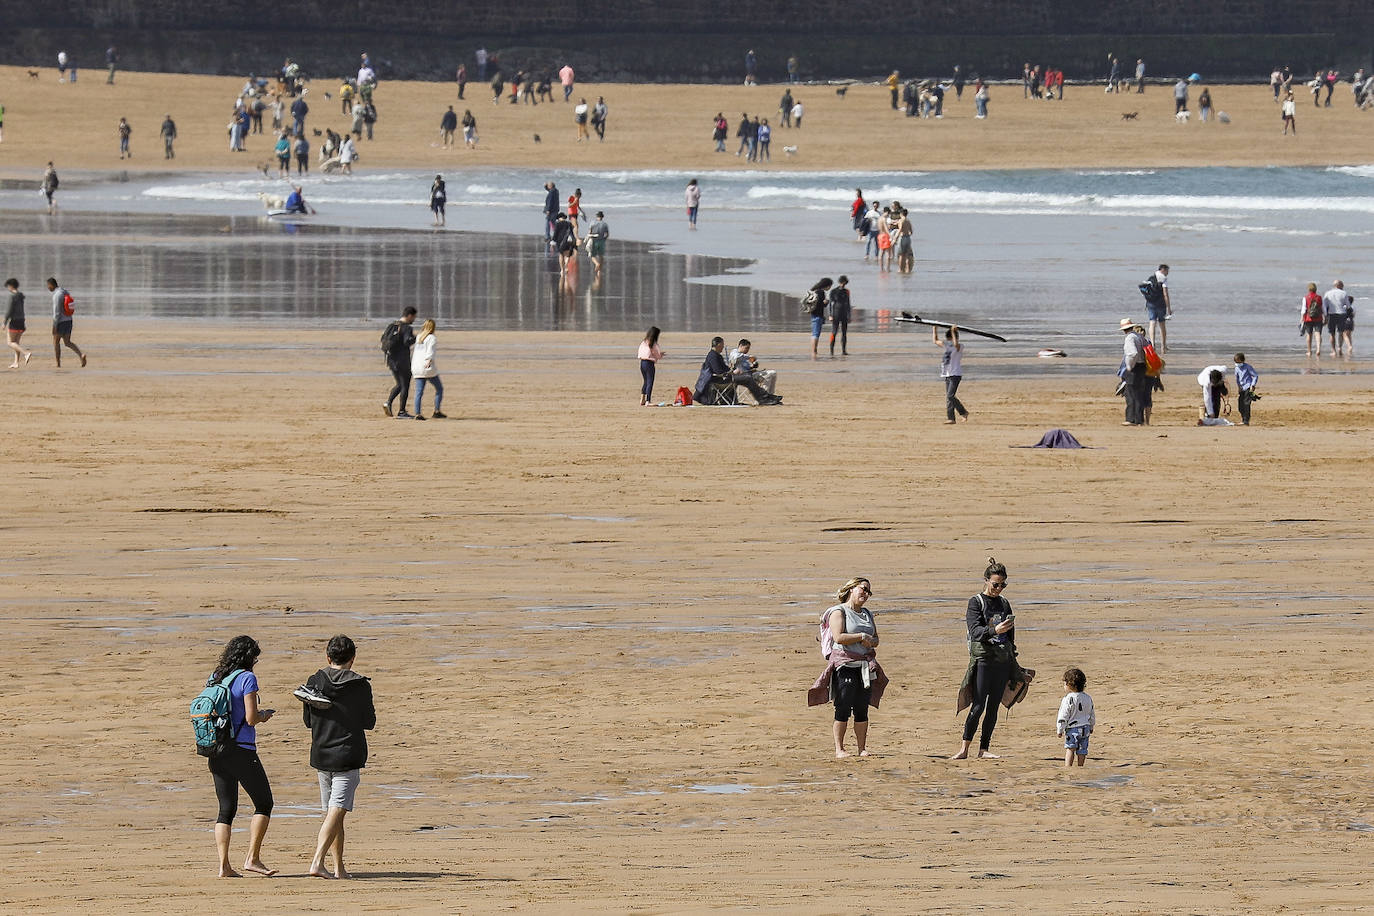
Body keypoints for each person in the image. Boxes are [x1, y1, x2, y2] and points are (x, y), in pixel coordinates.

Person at [298, 634, 375, 879]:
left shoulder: (314, 681)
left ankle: (339, 867)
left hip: (321, 754)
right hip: (347, 756)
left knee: (334, 814)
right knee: (336, 811)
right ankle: (317, 862)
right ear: (353, 658)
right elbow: (369, 722)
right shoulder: (360, 685)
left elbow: (308, 722)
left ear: (328, 657)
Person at [205, 635, 277, 878]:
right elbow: (250, 717)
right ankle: (252, 858)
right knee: (264, 802)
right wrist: (264, 714)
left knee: (226, 810)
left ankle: (224, 865)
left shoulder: (215, 677)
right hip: (241, 750)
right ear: (251, 657)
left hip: (215, 750)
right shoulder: (247, 678)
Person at [953, 558, 1025, 760]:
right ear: (986, 581)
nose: (999, 589)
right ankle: (964, 748)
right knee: (978, 706)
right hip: (983, 659)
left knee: (993, 707)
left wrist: (1013, 656)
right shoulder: (976, 602)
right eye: (995, 584)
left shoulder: (1004, 603)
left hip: (1002, 660)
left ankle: (983, 749)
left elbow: (1011, 636)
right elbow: (975, 631)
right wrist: (995, 629)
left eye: (1003, 585)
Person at [809, 577, 887, 759]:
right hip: (844, 664)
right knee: (843, 705)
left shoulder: (867, 613)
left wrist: (872, 641)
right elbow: (838, 637)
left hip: (865, 665)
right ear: (852, 589)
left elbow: (875, 639)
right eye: (863, 589)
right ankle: (839, 748)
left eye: (869, 592)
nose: (866, 594)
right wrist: (861, 636)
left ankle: (862, 748)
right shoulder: (838, 611)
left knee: (862, 707)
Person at [694, 336, 781, 405]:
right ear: (718, 345)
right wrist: (732, 372)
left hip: (725, 377)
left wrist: (731, 370)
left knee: (747, 378)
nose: (723, 347)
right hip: (721, 381)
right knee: (747, 378)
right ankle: (763, 398)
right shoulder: (713, 356)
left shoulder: (716, 355)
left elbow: (724, 368)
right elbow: (719, 372)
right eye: (722, 345)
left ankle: (765, 397)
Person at [382, 306, 417, 417]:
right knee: (405, 385)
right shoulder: (407, 328)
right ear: (410, 316)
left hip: (391, 360)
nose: (414, 320)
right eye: (414, 317)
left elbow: (383, 339)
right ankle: (402, 411)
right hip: (402, 361)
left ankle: (388, 403)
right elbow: (407, 342)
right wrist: (417, 338)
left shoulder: (392, 325)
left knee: (399, 384)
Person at [1056, 668, 1095, 768]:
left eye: (1065, 683)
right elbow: (1091, 713)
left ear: (1070, 684)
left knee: (1070, 749)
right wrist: (1091, 726)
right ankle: (1080, 766)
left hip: (1073, 729)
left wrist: (1060, 729)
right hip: (1085, 728)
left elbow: (1063, 715)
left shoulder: (1068, 698)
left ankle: (1068, 767)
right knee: (1082, 750)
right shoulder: (1088, 697)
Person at [46, 278, 85, 368]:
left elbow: (57, 312)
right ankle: (81, 354)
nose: (48, 288)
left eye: (48, 286)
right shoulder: (65, 292)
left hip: (60, 322)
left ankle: (58, 363)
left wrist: (54, 325)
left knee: (56, 342)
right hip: (69, 320)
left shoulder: (57, 295)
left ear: (51, 285)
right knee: (67, 342)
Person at [410, 319, 444, 420]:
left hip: (416, 367)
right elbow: (430, 351)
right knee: (439, 389)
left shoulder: (419, 337)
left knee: (419, 392)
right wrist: (429, 360)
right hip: (427, 368)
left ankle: (417, 413)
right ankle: (436, 411)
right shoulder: (432, 338)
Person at [935, 325, 969, 423]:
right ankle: (951, 418)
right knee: (948, 397)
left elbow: (955, 344)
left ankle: (963, 412)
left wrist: (953, 332)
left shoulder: (960, 346)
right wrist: (934, 328)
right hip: (947, 374)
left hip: (956, 375)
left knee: (950, 396)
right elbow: (935, 340)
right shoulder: (947, 345)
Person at [1119, 318, 1148, 426]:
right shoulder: (1139, 336)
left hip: (1135, 367)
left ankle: (1131, 419)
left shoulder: (1129, 338)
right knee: (1139, 393)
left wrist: (1129, 366)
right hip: (1142, 366)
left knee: (1130, 394)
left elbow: (1133, 354)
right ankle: (1139, 419)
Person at [1143, 264, 1172, 352]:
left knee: (1152, 323)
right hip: (1160, 304)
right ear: (1163, 270)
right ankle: (1163, 347)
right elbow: (1165, 294)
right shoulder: (1163, 279)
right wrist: (1169, 308)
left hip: (1150, 303)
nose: (1168, 273)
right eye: (1167, 271)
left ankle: (1152, 345)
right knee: (1162, 324)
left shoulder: (1151, 278)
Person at [4, 279, 32, 368]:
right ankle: (16, 362)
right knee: (16, 343)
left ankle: (26, 353)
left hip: (14, 321)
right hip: (21, 320)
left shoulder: (11, 296)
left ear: (11, 286)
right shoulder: (20, 296)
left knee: (10, 342)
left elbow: (9, 311)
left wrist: (4, 322)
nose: (8, 288)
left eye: (8, 286)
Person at [1323, 280, 1353, 357]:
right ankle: (1339, 348)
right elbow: (1348, 306)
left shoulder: (1328, 293)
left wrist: (1325, 316)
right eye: (1342, 285)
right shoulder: (1344, 293)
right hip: (1341, 314)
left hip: (1331, 314)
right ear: (1340, 286)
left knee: (1332, 334)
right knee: (1341, 333)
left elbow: (1324, 306)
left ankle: (1333, 351)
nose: (1343, 287)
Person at [804, 277, 832, 359]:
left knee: (815, 333)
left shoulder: (815, 291)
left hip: (813, 314)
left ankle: (814, 350)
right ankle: (814, 351)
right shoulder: (821, 292)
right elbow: (820, 305)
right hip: (818, 315)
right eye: (829, 286)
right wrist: (826, 303)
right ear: (826, 285)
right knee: (816, 334)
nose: (829, 288)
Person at [637, 326, 664, 406]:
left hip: (642, 363)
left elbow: (641, 352)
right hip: (649, 363)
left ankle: (642, 399)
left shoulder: (644, 342)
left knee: (645, 381)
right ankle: (648, 400)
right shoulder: (653, 343)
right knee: (650, 382)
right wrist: (660, 355)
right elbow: (657, 354)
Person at [828, 276, 852, 357]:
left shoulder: (847, 291)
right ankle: (831, 351)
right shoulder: (833, 291)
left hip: (844, 313)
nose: (843, 285)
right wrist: (830, 315)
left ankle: (844, 350)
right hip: (836, 313)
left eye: (844, 283)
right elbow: (831, 304)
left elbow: (848, 304)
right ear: (839, 282)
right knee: (834, 332)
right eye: (842, 283)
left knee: (844, 333)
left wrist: (849, 315)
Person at [1233, 353, 1260, 425]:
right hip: (1242, 388)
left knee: (1246, 404)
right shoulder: (1236, 368)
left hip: (1248, 387)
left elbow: (1255, 376)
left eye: (1239, 362)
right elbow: (1237, 379)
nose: (1237, 363)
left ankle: (1246, 421)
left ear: (1242, 361)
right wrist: (1238, 387)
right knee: (1240, 405)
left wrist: (1253, 385)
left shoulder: (1248, 367)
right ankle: (1243, 419)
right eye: (1236, 362)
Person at [1300, 282, 1324, 357]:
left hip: (1308, 318)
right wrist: (1325, 317)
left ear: (1308, 289)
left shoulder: (1306, 297)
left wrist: (1302, 318)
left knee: (1309, 335)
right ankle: (1318, 349)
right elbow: (1322, 308)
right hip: (1318, 318)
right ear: (1315, 289)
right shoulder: (1319, 297)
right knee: (1318, 333)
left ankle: (1309, 351)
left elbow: (1304, 309)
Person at [586, 211, 609, 275]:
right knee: (601, 256)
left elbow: (589, 232)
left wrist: (588, 237)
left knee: (592, 255)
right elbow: (607, 234)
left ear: (597, 216)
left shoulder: (592, 223)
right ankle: (599, 271)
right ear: (602, 217)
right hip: (601, 241)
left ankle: (597, 264)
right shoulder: (605, 224)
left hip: (594, 240)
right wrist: (604, 239)